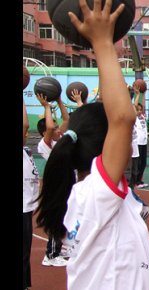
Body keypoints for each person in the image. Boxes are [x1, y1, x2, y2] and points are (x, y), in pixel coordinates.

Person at [34, 1, 149, 289]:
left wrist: (99, 47)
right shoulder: (97, 192)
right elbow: (122, 118)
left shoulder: (86, 193)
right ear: (106, 145)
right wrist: (103, 43)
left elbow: (113, 113)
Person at [35, 92, 70, 267]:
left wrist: (59, 100)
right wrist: (46, 106)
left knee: (65, 216)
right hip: (56, 185)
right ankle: (50, 254)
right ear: (44, 133)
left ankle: (59, 248)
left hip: (65, 182)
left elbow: (66, 120)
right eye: (55, 128)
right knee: (57, 218)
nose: (58, 129)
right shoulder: (44, 144)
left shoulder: (59, 140)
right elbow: (49, 128)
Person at [23, 99, 40, 290]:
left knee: (25, 252)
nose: (27, 133)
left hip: (26, 208)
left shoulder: (27, 152)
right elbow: (25, 124)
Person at [133, 88, 149, 188]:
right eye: (137, 110)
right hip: (137, 143)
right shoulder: (134, 117)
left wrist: (143, 94)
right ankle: (136, 182)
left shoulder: (142, 117)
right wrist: (138, 95)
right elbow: (135, 106)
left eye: (140, 110)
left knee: (143, 163)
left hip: (144, 142)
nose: (139, 111)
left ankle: (139, 180)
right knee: (138, 164)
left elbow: (142, 106)